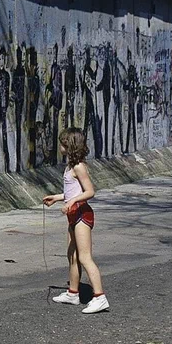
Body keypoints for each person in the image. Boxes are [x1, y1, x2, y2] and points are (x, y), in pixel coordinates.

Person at [43, 127, 109, 314]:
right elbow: (73, 192)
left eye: (63, 143)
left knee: (84, 257)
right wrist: (57, 197)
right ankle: (73, 293)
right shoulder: (70, 167)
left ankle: (99, 297)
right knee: (72, 255)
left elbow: (89, 192)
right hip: (73, 215)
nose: (60, 146)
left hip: (82, 215)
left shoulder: (79, 166)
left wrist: (71, 201)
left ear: (69, 145)